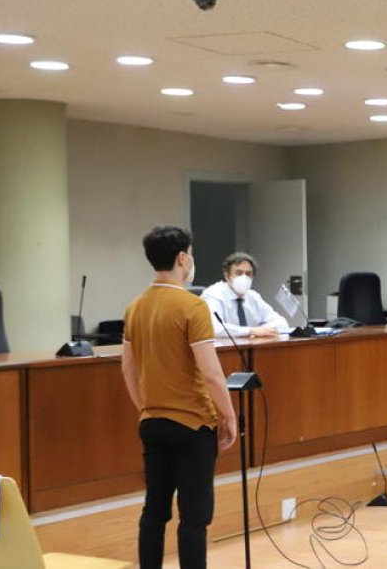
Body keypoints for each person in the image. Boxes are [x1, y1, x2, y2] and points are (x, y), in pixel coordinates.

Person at [121, 226, 237, 569]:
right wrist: (228, 415)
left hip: (152, 422)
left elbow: (128, 369)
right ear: (182, 257)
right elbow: (212, 373)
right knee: (194, 516)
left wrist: (146, 407)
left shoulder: (135, 307)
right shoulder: (192, 306)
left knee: (154, 511)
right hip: (192, 424)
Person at [201, 251, 289, 338]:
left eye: (248, 274)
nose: (244, 277)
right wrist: (250, 331)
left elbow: (281, 323)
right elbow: (215, 328)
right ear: (227, 276)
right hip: (223, 349)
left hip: (252, 347)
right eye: (239, 273)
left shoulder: (253, 296)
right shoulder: (213, 294)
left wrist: (260, 331)